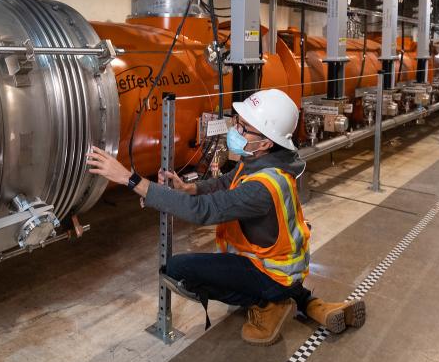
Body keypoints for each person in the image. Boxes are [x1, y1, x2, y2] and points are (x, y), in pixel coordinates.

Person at [87, 88, 365, 346]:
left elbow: (202, 211)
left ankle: (268, 303)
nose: (237, 130)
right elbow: (227, 181)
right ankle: (308, 303)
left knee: (178, 269)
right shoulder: (264, 163)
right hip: (279, 269)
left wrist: (129, 179)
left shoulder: (260, 188)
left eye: (245, 128)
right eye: (238, 122)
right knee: (246, 273)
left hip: (270, 274)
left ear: (266, 143)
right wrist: (188, 187)